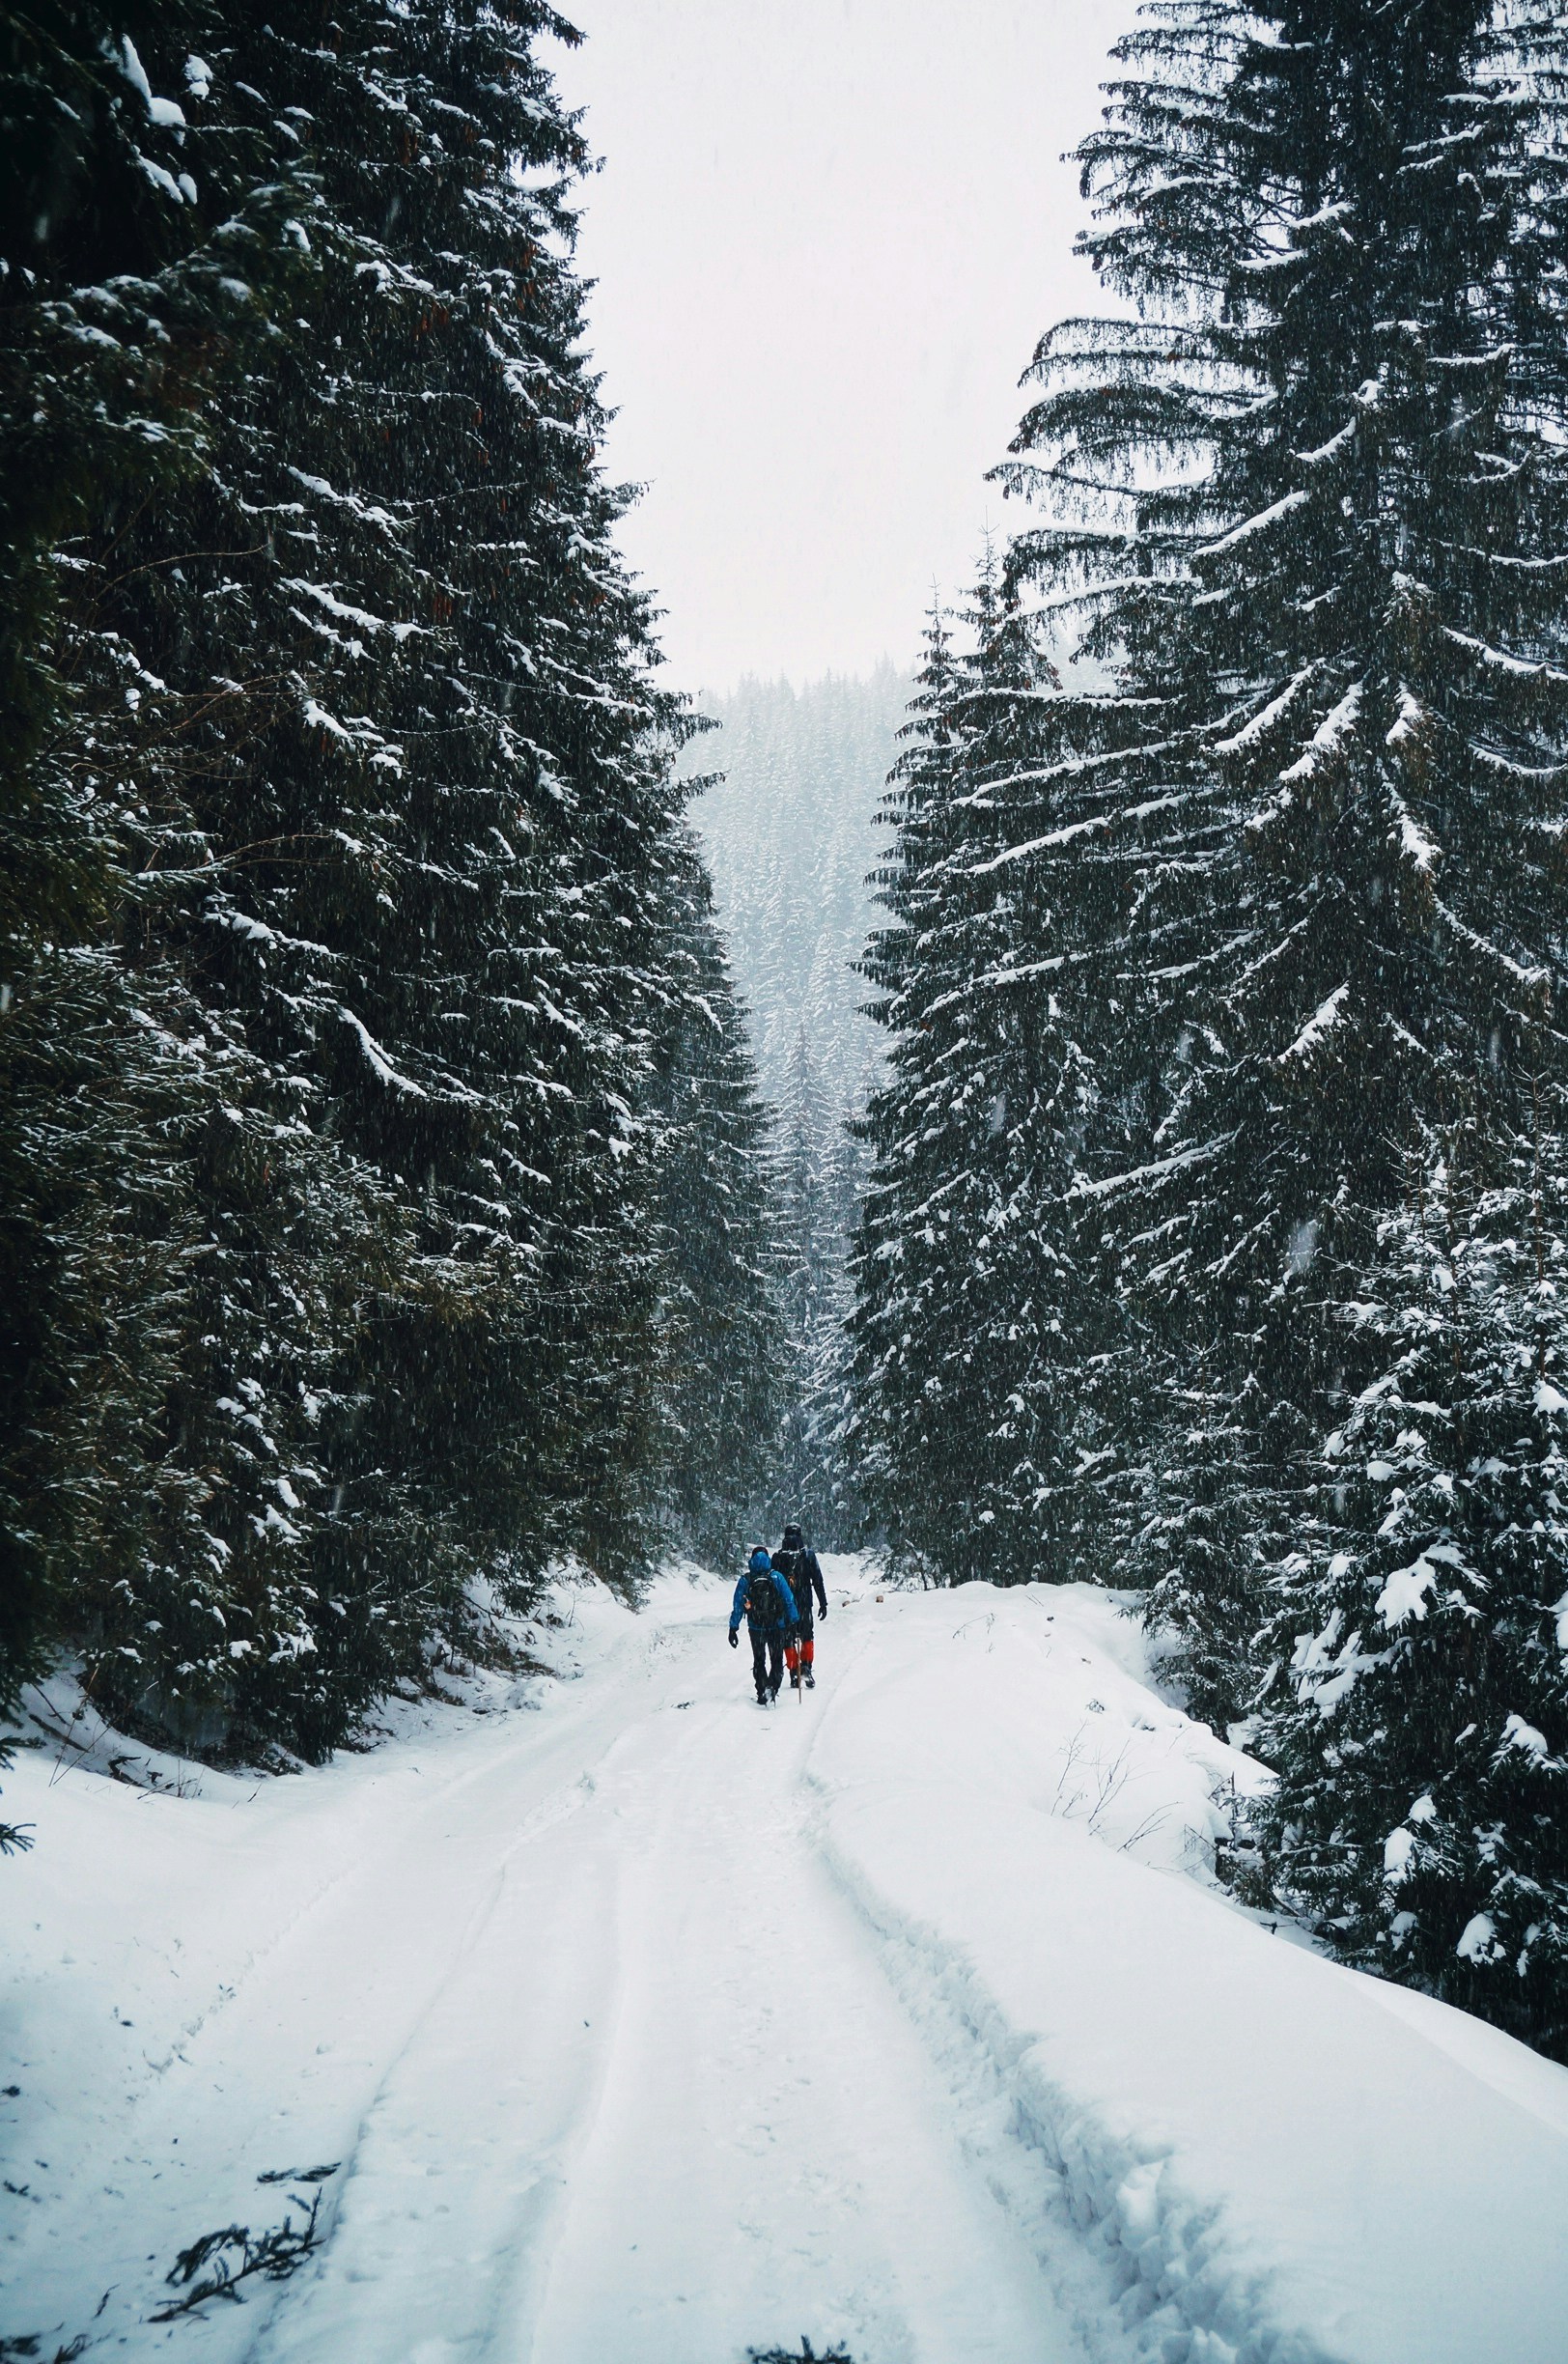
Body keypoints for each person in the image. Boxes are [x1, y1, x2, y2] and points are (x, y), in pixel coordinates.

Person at [728, 1543, 798, 1704]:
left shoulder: (746, 1579)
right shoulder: (776, 1576)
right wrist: (793, 1620)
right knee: (776, 1660)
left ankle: (762, 1690)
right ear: (767, 1558)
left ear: (752, 1559)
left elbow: (738, 1605)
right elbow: (789, 1600)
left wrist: (733, 1627)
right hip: (776, 1625)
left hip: (756, 1627)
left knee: (759, 1660)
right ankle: (772, 1687)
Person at [772, 1522, 826, 1691]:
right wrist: (823, 1602)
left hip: (785, 1605)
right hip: (804, 1603)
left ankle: (793, 1671)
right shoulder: (808, 1555)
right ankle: (806, 1667)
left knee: (787, 1640)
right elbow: (817, 1580)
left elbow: (772, 1582)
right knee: (807, 1636)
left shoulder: (777, 1557)